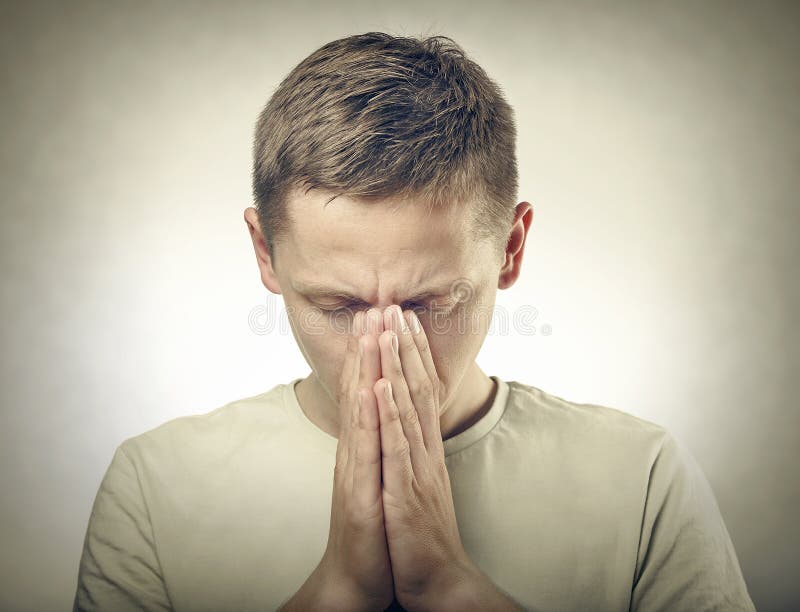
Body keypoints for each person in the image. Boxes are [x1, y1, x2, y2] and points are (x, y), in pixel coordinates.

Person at [73, 32, 756, 611]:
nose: (381, 346)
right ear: (265, 254)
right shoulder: (156, 485)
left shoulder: (641, 480)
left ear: (511, 249)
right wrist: (338, 589)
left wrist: (449, 585)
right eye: (337, 306)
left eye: (429, 304)